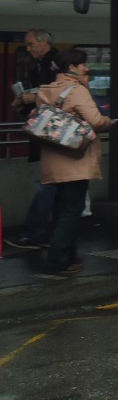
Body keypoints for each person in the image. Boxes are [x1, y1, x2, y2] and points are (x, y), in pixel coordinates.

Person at [35, 47, 115, 277]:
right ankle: (57, 261)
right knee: (72, 211)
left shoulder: (46, 90)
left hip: (53, 159)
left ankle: (70, 257)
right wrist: (109, 121)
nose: (86, 68)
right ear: (72, 68)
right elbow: (95, 120)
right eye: (83, 65)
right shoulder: (77, 91)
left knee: (63, 210)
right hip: (74, 160)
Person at [4, 29, 63, 251]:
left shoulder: (55, 64)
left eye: (30, 45)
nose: (28, 50)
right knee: (52, 189)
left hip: (51, 137)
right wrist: (25, 102)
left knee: (46, 187)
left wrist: (33, 98)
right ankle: (54, 234)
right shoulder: (40, 66)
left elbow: (57, 95)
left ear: (44, 42)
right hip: (45, 136)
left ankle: (34, 233)